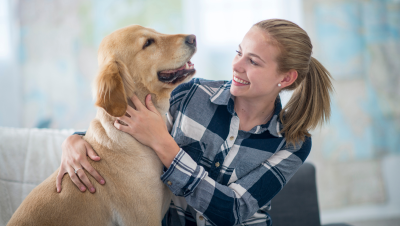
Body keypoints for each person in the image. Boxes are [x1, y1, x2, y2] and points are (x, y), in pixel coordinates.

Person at [56, 19, 333, 226]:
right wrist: (76, 140)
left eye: (254, 62)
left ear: (285, 79)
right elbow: (129, 125)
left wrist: (164, 145)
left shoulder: (293, 143)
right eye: (239, 53)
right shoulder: (191, 94)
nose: (236, 66)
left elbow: (232, 210)